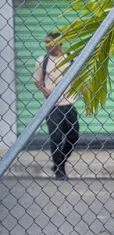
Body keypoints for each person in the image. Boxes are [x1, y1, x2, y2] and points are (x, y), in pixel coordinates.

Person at [33, 31, 80, 180]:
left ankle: (60, 163)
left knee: (73, 136)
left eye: (49, 42)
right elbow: (37, 80)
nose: (46, 45)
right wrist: (44, 90)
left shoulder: (71, 57)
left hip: (69, 103)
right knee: (56, 137)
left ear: (58, 42)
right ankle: (60, 170)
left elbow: (80, 75)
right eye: (45, 42)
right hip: (52, 106)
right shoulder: (42, 61)